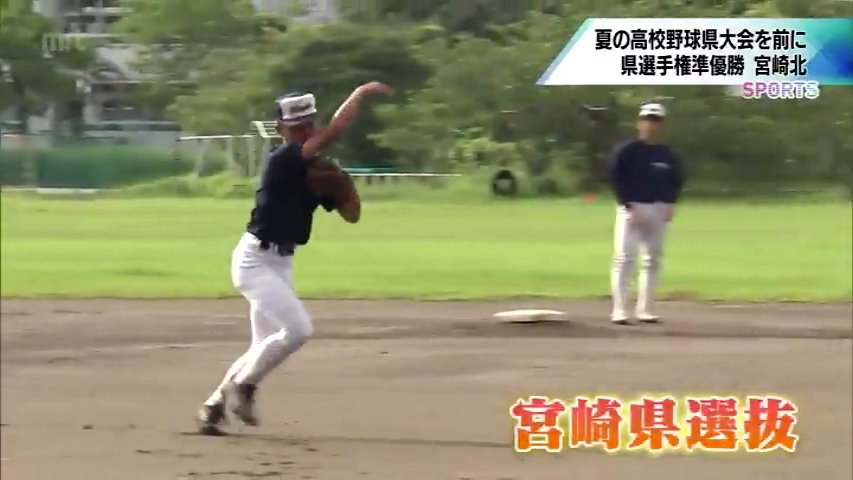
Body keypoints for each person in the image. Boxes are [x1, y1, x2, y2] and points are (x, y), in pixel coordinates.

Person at [196, 82, 394, 435]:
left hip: (280, 263)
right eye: (296, 126)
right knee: (299, 330)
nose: (304, 132)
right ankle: (244, 387)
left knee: (262, 345)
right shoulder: (283, 159)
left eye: (308, 125)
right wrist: (359, 94)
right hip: (254, 261)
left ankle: (213, 407)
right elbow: (335, 131)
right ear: (281, 129)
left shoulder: (317, 171)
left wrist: (346, 190)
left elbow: (351, 215)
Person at [608, 102, 685, 325]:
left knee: (653, 259)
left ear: (662, 125)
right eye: (648, 120)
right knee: (624, 258)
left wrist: (671, 202)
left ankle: (646, 309)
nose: (651, 125)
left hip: (659, 208)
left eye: (656, 121)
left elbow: (677, 179)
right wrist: (628, 206)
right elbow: (616, 179)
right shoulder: (627, 151)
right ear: (639, 123)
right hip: (633, 208)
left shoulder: (667, 153)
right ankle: (620, 309)